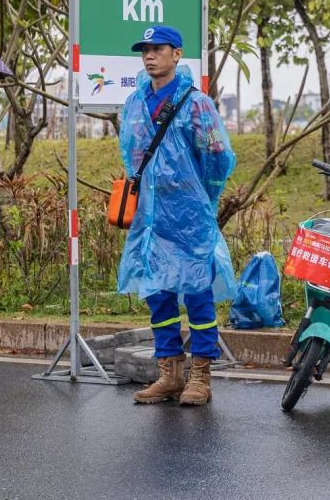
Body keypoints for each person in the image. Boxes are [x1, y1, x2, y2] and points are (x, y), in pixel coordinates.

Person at [116, 25, 237, 406]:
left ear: (177, 54)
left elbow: (217, 156)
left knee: (198, 292)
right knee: (158, 294)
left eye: (158, 49)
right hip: (151, 215)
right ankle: (169, 373)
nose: (149, 56)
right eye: (145, 50)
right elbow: (130, 151)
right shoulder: (135, 102)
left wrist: (203, 197)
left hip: (189, 214)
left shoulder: (196, 103)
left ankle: (201, 375)